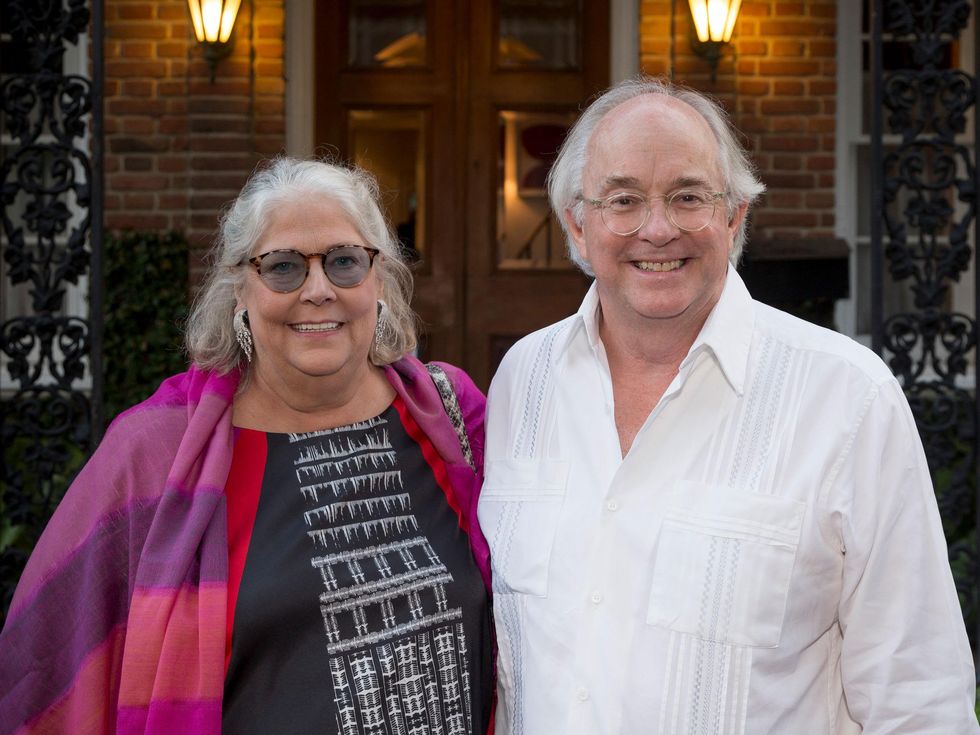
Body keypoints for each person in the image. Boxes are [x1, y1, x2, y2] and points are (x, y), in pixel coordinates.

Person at [478, 77, 979, 734]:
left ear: (736, 215)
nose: (657, 229)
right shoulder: (523, 382)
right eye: (623, 199)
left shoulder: (848, 398)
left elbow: (917, 698)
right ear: (578, 221)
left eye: (689, 196)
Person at [0, 157, 494, 735]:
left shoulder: (450, 415)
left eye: (344, 262)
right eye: (282, 267)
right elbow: (45, 658)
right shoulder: (154, 454)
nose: (318, 291)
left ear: (378, 279)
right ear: (239, 290)